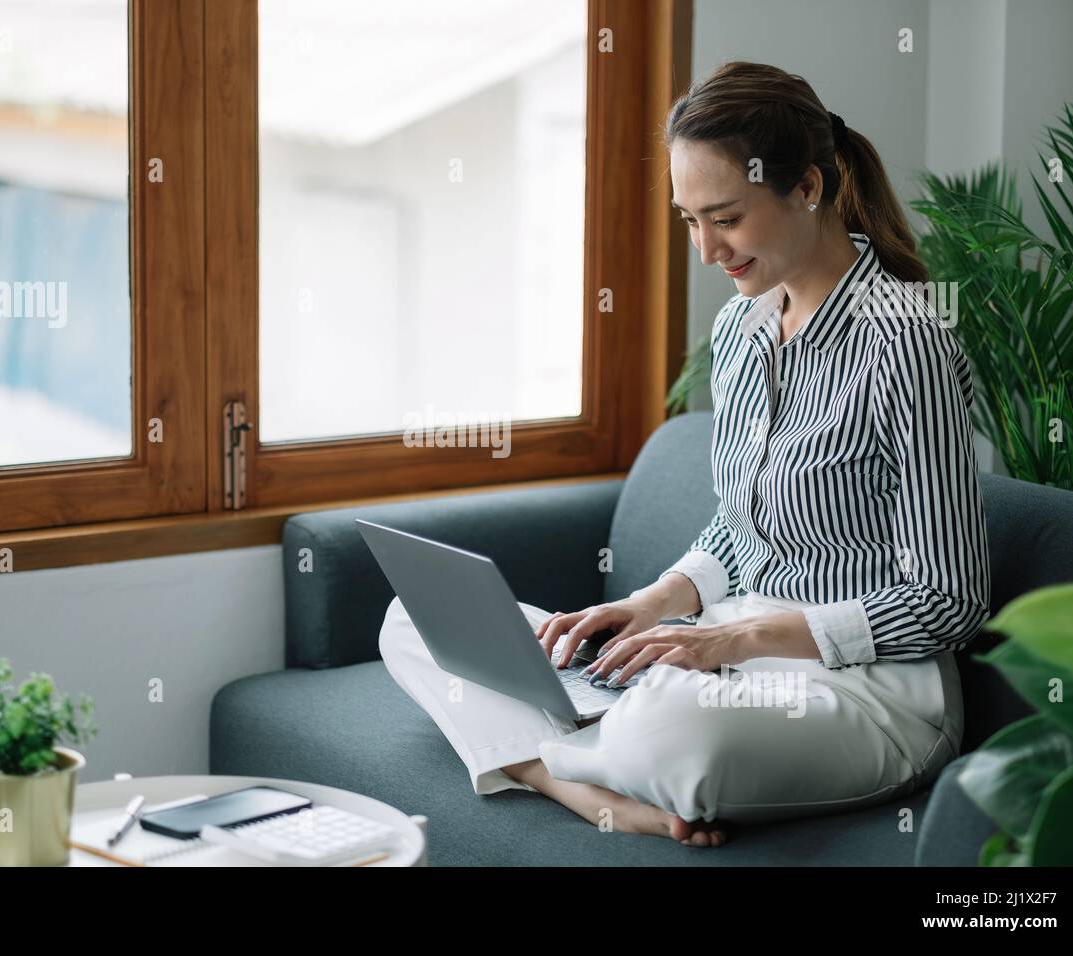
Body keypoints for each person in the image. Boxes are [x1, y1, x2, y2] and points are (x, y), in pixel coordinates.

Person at [378, 61, 991, 849]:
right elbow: (741, 528)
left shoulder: (909, 343)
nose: (706, 251)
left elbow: (948, 599)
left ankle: (561, 750)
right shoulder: (741, 329)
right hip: (723, 659)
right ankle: (566, 776)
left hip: (868, 693)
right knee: (414, 620)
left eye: (726, 218)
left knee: (672, 731)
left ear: (807, 188)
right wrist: (658, 602)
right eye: (688, 220)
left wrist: (733, 641)